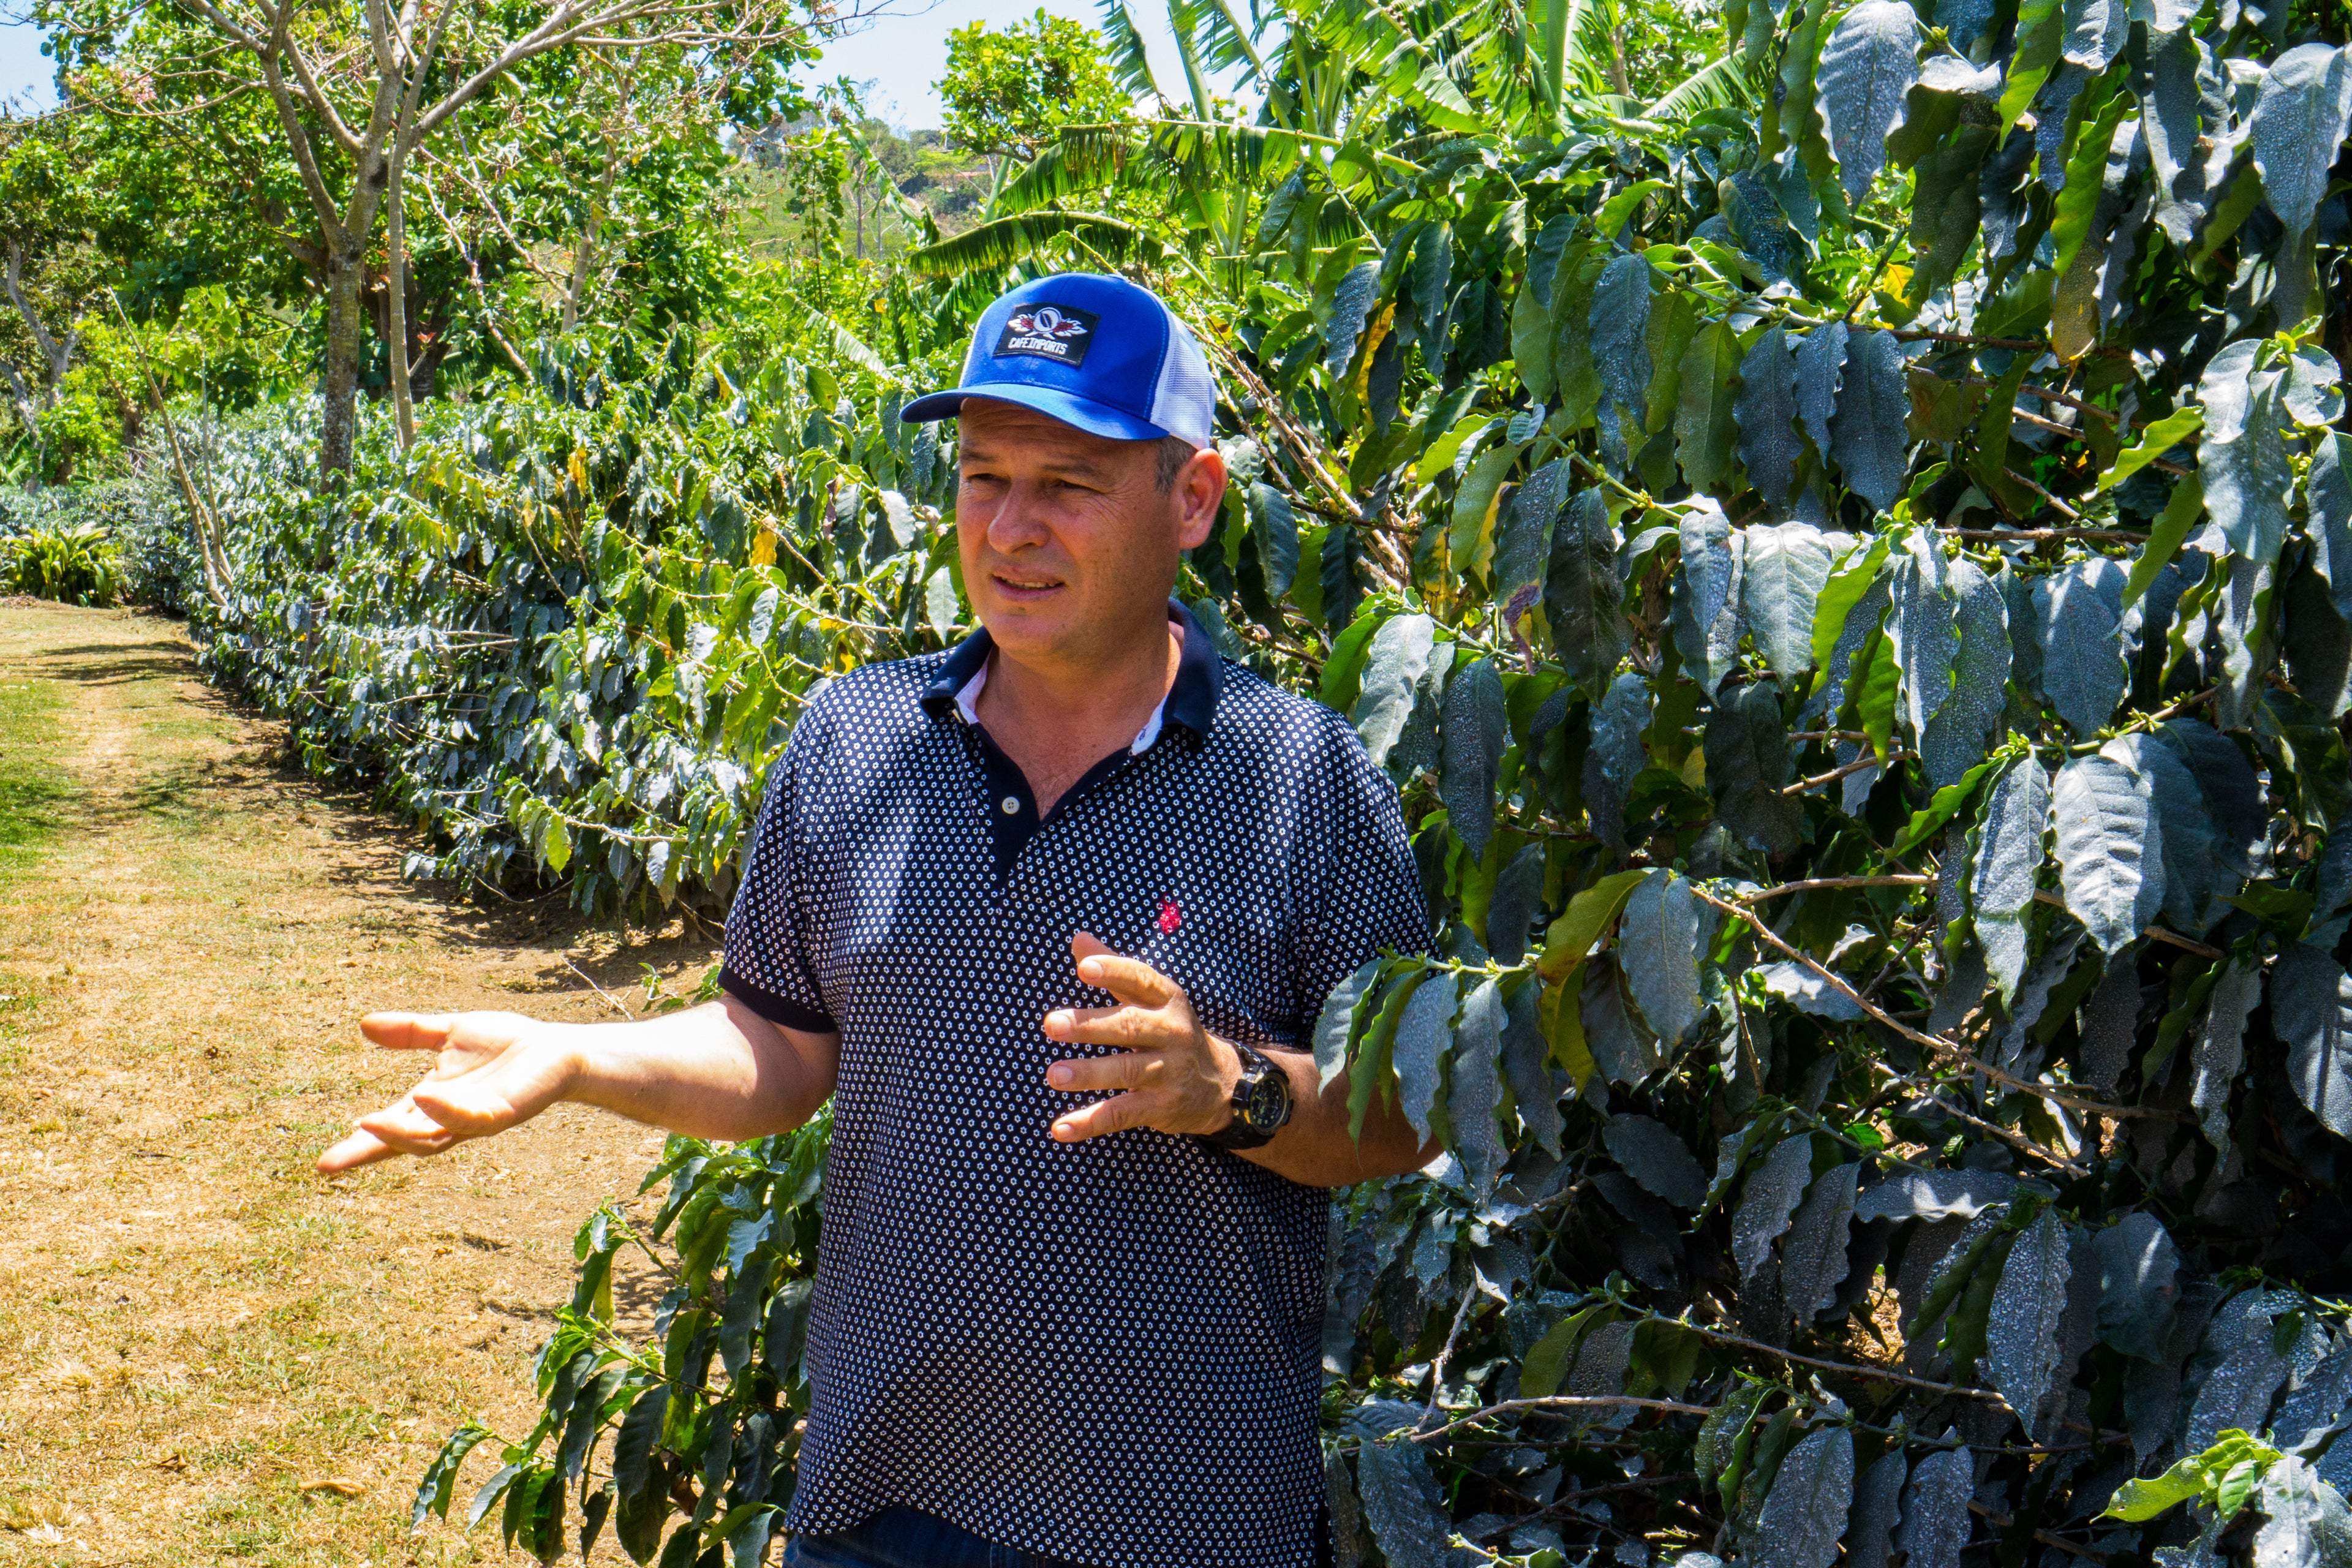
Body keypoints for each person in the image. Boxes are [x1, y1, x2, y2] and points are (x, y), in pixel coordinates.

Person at [318, 273, 1437, 1568]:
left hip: (1185, 1518)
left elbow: (1405, 1114)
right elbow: (779, 1045)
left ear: (1192, 499)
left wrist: (1228, 1088)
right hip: (882, 1496)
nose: (1011, 527)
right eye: (983, 477)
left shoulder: (1299, 778)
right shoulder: (856, 740)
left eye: (1068, 485)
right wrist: (577, 1056)